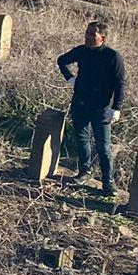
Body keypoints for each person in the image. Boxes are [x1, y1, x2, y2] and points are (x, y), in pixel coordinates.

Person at [57, 20, 126, 195]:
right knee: (82, 140)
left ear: (102, 38)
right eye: (86, 33)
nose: (87, 37)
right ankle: (84, 171)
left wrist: (116, 107)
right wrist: (71, 79)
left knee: (103, 147)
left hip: (101, 108)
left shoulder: (113, 57)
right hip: (80, 103)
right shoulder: (81, 51)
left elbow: (120, 84)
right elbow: (62, 61)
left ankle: (108, 182)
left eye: (92, 34)